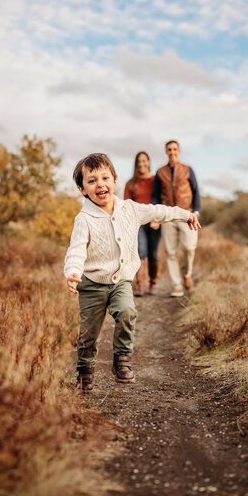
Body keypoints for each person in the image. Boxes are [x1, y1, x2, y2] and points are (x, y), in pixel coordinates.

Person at [64, 153, 201, 391]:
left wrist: (185, 214)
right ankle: (85, 371)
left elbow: (160, 212)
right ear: (82, 189)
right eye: (92, 181)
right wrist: (73, 271)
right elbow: (76, 251)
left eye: (105, 178)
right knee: (88, 334)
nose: (100, 184)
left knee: (127, 312)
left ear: (115, 180)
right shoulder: (83, 219)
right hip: (92, 284)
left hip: (121, 282)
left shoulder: (130, 209)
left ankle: (122, 359)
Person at [153, 140, 201, 298]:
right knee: (170, 252)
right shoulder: (160, 172)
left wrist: (196, 211)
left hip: (187, 214)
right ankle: (176, 286)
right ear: (166, 152)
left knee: (189, 247)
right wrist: (155, 216)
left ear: (178, 151)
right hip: (168, 216)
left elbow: (195, 191)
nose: (172, 152)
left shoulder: (188, 170)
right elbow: (155, 196)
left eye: (174, 149)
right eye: (169, 149)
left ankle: (187, 274)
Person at [124, 152, 161, 296]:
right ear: (136, 164)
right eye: (139, 161)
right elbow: (126, 204)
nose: (141, 164)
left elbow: (161, 200)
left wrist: (157, 219)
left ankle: (153, 282)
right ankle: (140, 284)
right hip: (137, 223)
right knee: (140, 252)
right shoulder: (131, 183)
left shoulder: (155, 181)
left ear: (149, 162)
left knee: (153, 254)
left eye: (144, 161)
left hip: (154, 222)